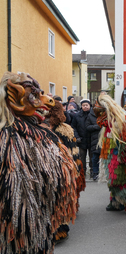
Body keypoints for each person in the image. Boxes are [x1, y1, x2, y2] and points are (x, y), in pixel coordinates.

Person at [0, 72, 77, 253]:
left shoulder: (37, 132)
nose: (47, 100)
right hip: (16, 230)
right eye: (33, 96)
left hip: (40, 221)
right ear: (13, 99)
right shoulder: (9, 138)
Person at [45, 100, 86, 243]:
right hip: (50, 170)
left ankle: (60, 230)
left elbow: (72, 150)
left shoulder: (63, 130)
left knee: (59, 200)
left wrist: (75, 167)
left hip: (61, 170)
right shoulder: (43, 127)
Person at [94, 94, 126, 214]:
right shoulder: (109, 120)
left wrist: (125, 156)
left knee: (118, 180)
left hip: (119, 156)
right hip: (109, 154)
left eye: (101, 111)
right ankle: (115, 202)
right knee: (112, 180)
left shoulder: (124, 118)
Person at [72, 99, 92, 177]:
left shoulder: (93, 114)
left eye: (87, 105)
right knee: (82, 157)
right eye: (83, 105)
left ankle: (93, 172)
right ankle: (82, 172)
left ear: (90, 105)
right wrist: (77, 136)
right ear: (81, 106)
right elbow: (73, 127)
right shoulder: (77, 115)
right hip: (81, 140)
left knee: (92, 157)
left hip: (91, 140)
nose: (85, 107)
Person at [86, 105, 101, 181]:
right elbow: (87, 127)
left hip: (104, 138)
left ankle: (104, 173)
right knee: (95, 158)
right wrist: (96, 127)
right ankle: (95, 173)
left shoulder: (106, 114)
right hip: (94, 139)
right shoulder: (90, 115)